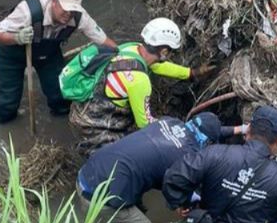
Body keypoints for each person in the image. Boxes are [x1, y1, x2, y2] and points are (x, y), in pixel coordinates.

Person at [76, 112, 245, 223]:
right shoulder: (187, 155)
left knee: (131, 217)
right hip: (101, 199)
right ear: (208, 143)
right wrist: (182, 205)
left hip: (89, 176)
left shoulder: (170, 122)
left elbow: (207, 132)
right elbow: (173, 187)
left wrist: (241, 129)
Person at [69, 17, 214, 155]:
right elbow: (144, 123)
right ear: (164, 51)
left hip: (80, 107)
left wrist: (192, 73)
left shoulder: (133, 48)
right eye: (170, 51)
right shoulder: (140, 81)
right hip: (91, 125)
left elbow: (159, 66)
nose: (170, 54)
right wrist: (170, 125)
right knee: (119, 156)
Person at [0, 0, 117, 124]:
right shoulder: (28, 11)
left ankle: (62, 122)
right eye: (65, 9)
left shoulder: (79, 17)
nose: (69, 14)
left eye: (73, 10)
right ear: (54, 2)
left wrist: (122, 55)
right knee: (8, 100)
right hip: (12, 51)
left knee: (60, 94)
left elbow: (103, 40)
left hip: (48, 54)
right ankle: (4, 126)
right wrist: (17, 38)